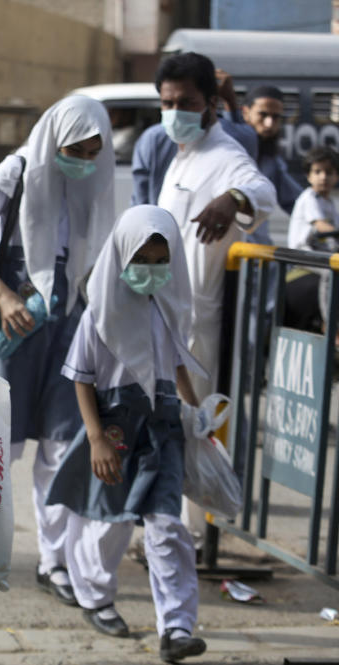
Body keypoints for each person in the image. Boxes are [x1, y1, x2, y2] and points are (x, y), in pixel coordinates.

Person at [0, 95, 115, 606]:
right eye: (75, 149)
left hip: (68, 322)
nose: (83, 161)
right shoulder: (17, 169)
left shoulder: (92, 182)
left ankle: (54, 560)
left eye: (93, 152)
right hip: (15, 321)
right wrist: (2, 295)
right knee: (0, 444)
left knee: (63, 445)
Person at [46, 205, 209, 662]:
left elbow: (176, 363)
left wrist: (194, 411)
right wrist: (97, 438)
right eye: (143, 262)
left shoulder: (171, 305)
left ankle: (175, 627)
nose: (153, 272)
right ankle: (95, 597)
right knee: (109, 523)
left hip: (164, 430)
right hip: (117, 429)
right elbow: (80, 377)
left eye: (162, 263)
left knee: (166, 525)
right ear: (121, 255)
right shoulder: (100, 313)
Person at [154, 52, 275, 551]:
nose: (176, 109)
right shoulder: (181, 152)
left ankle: (193, 538)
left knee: (195, 430)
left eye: (186, 102)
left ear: (209, 105)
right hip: (160, 320)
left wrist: (234, 201)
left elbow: (261, 190)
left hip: (195, 328)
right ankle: (168, 534)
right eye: (167, 102)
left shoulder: (225, 156)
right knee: (166, 432)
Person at [131, 69, 258, 208]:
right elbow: (140, 201)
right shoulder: (153, 139)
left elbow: (259, 188)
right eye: (168, 103)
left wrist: (233, 198)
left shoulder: (228, 149)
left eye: (186, 103)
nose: (176, 112)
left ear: (211, 102)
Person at [285, 146, 339, 331]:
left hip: (319, 252)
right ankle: (330, 321)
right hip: (301, 253)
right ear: (309, 176)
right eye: (317, 172)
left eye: (329, 172)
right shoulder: (309, 198)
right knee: (329, 273)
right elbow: (322, 226)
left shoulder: (330, 203)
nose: (323, 177)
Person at [242, 85, 303, 219]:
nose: (269, 124)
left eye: (275, 117)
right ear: (246, 112)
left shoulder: (272, 161)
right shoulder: (229, 149)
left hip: (255, 239)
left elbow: (297, 202)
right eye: (262, 115)